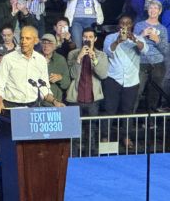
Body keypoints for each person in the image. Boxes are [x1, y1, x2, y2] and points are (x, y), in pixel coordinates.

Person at [0, 26, 65, 114]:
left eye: (28, 38)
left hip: (32, 107)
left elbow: (44, 89)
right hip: (11, 106)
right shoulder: (8, 59)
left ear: (36, 41)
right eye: (22, 38)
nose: (24, 42)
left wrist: (55, 102)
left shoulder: (40, 60)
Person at [102, 15, 148, 148]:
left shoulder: (138, 38)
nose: (124, 25)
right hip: (113, 78)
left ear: (131, 24)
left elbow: (144, 50)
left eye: (127, 23)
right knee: (109, 110)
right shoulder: (110, 37)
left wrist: (133, 39)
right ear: (119, 25)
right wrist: (117, 41)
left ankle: (126, 137)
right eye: (122, 23)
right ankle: (105, 137)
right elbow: (107, 52)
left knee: (128, 111)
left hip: (131, 80)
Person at [66, 27, 108, 156]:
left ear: (95, 39)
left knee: (91, 131)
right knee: (73, 131)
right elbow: (72, 75)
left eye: (90, 37)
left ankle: (89, 155)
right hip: (75, 97)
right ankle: (73, 156)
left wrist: (93, 58)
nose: (87, 39)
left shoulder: (101, 55)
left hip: (92, 98)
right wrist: (79, 58)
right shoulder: (73, 54)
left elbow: (103, 75)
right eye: (85, 37)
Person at [133, 0, 168, 118]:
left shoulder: (162, 29)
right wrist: (142, 35)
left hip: (157, 64)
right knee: (137, 91)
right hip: (141, 62)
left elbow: (165, 50)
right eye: (150, 8)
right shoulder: (139, 25)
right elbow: (132, 44)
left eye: (155, 8)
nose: (152, 10)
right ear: (148, 10)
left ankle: (151, 121)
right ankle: (131, 120)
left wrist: (157, 41)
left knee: (154, 94)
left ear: (159, 11)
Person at [40, 34, 70, 105]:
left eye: (49, 43)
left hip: (54, 101)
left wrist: (60, 78)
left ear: (54, 46)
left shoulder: (60, 59)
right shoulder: (35, 58)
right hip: (37, 101)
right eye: (44, 43)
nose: (46, 46)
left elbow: (67, 83)